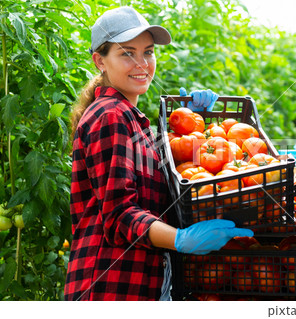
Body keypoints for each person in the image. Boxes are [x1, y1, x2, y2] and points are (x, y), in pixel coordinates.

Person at [64, 6, 253, 301]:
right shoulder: (110, 116)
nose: (142, 63)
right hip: (113, 287)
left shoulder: (129, 116)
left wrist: (194, 120)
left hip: (142, 282)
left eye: (148, 52)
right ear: (100, 61)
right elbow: (118, 214)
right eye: (127, 53)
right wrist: (180, 239)